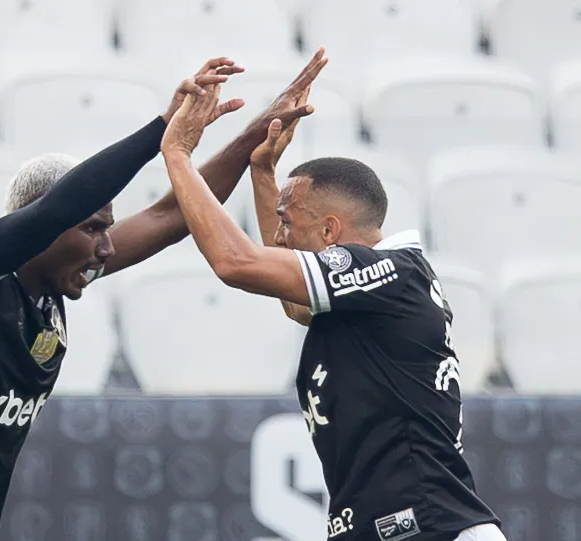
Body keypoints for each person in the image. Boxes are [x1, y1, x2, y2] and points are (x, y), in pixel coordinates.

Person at [0, 53, 328, 541]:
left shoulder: (51, 286)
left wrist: (258, 132)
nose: (106, 247)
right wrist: (162, 132)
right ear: (43, 225)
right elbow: (58, 208)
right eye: (92, 228)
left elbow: (171, 216)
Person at [159, 53, 506, 541]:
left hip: (429, 527)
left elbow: (236, 261)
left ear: (329, 231)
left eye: (287, 222)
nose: (279, 238)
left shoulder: (389, 272)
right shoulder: (376, 291)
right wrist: (262, 173)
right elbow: (295, 304)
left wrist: (177, 155)